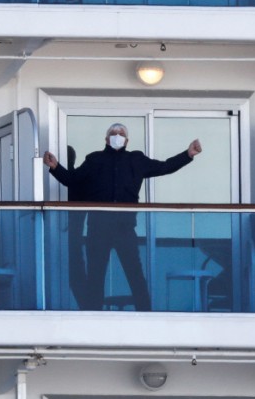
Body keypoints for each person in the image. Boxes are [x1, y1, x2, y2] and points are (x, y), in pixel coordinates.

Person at [43, 123, 202, 311]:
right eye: (113, 133)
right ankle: (93, 319)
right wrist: (55, 167)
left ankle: (146, 317)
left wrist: (188, 154)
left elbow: (165, 166)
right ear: (106, 139)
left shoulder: (136, 159)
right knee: (95, 277)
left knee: (135, 275)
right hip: (98, 230)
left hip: (125, 229)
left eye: (121, 134)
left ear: (127, 141)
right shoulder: (94, 159)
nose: (117, 135)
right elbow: (73, 180)